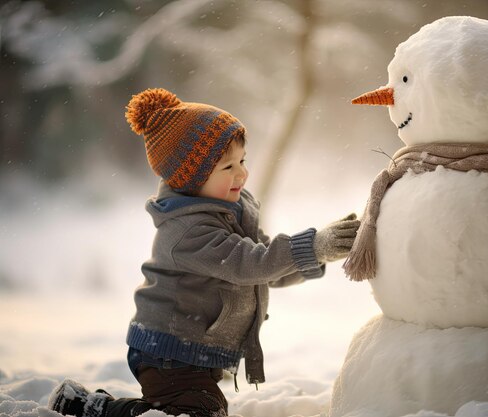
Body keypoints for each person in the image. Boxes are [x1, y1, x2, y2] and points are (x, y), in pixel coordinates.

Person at [48, 88, 360, 417]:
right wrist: (312, 246)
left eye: (242, 161)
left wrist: (320, 253)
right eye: (227, 167)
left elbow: (265, 261)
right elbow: (252, 265)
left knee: (197, 408)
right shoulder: (188, 232)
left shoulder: (231, 210)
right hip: (168, 352)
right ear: (192, 178)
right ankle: (93, 409)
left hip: (196, 350)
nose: (242, 173)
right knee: (197, 413)